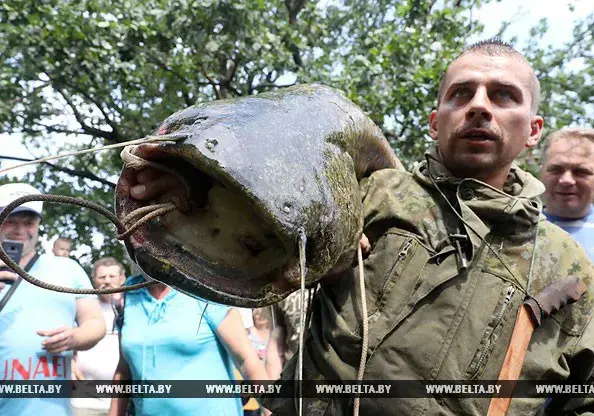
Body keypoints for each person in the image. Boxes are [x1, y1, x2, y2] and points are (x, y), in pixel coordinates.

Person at [123, 38, 594, 415]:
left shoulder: (566, 265)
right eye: (461, 93)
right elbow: (250, 243)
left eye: (503, 95)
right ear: (435, 121)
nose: (479, 106)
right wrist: (188, 187)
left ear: (533, 129)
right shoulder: (372, 192)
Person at [0, 182, 105, 416]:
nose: (19, 230)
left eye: (28, 222)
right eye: (10, 220)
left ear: (38, 225)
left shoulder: (67, 268)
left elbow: (96, 324)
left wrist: (75, 338)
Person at [108, 275, 271, 416]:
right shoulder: (127, 295)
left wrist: (272, 410)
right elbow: (124, 369)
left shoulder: (205, 286)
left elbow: (247, 361)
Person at [71, 257, 126, 416]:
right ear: (94, 280)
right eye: (102, 277)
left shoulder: (133, 307)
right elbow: (65, 337)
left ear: (122, 279)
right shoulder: (83, 309)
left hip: (122, 399)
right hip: (84, 400)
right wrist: (68, 361)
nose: (107, 281)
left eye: (112, 276)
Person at [540, 127, 594, 260]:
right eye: (556, 169)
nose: (566, 180)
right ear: (541, 172)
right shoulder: (517, 228)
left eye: (581, 171)